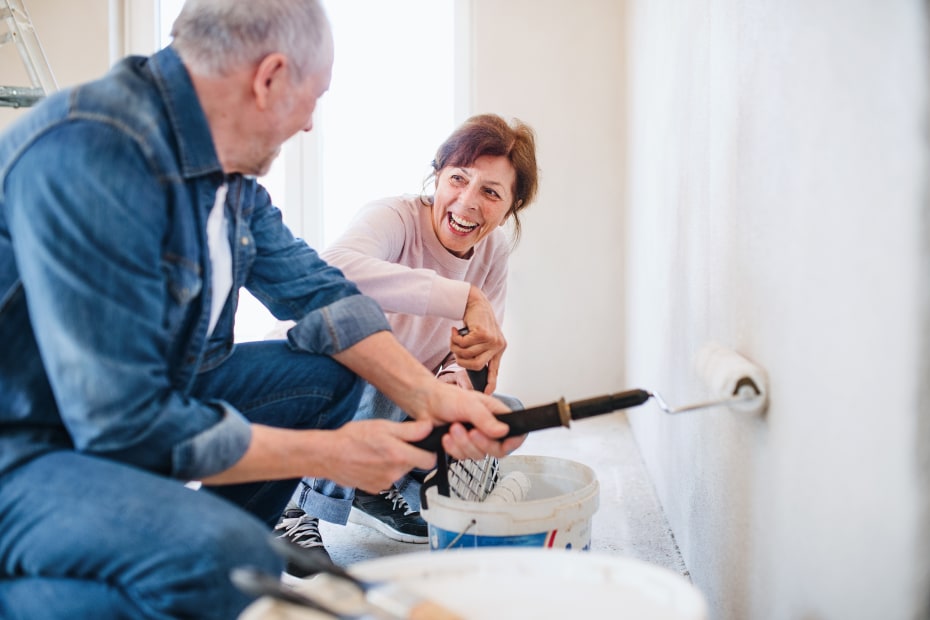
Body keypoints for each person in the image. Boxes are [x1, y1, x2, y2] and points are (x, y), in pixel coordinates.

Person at [0, 2, 523, 618]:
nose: (307, 126)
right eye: (314, 97)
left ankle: (194, 571)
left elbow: (323, 296)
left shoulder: (228, 181)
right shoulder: (96, 153)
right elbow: (124, 425)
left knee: (326, 374)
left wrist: (433, 398)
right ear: (270, 77)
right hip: (34, 449)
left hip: (145, 403)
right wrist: (327, 455)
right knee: (222, 555)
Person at [275, 114, 539, 568]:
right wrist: (461, 297)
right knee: (374, 378)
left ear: (510, 207)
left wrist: (460, 383)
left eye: (491, 192)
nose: (468, 202)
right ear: (437, 175)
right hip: (312, 382)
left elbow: (467, 355)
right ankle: (293, 506)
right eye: (458, 179)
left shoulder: (493, 253)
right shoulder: (394, 217)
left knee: (506, 413)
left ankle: (372, 492)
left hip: (398, 393)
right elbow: (334, 266)